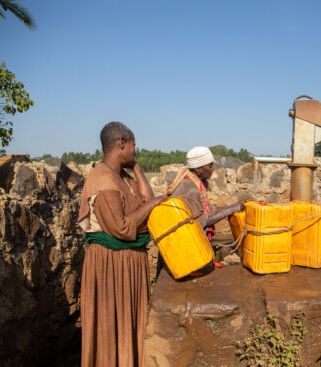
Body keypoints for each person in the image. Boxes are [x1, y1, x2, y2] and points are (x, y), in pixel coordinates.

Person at [78, 122, 165, 367]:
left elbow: (145, 199)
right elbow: (123, 228)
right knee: (111, 329)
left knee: (128, 324)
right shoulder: (104, 180)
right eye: (134, 145)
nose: (136, 150)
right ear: (122, 143)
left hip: (126, 264)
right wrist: (152, 204)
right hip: (111, 265)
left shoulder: (121, 177)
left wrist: (136, 168)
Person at [163, 146, 244, 266]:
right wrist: (232, 209)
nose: (212, 169)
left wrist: (236, 205)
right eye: (209, 166)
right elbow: (203, 221)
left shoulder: (193, 182)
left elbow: (210, 210)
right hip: (182, 246)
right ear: (197, 168)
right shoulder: (190, 188)